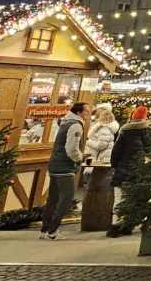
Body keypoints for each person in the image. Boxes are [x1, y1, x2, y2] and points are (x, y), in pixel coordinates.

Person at [40, 101, 90, 240]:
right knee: (66, 199)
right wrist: (79, 157)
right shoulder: (75, 126)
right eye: (86, 111)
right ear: (79, 112)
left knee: (53, 199)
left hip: (55, 165)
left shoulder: (65, 122)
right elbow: (71, 148)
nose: (88, 113)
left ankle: (45, 230)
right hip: (65, 167)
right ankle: (53, 231)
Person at [107, 105, 150, 237]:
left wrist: (114, 164)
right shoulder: (148, 132)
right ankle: (128, 225)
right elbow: (150, 150)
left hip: (123, 169)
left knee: (119, 198)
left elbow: (116, 152)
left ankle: (115, 226)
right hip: (140, 170)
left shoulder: (125, 131)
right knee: (134, 198)